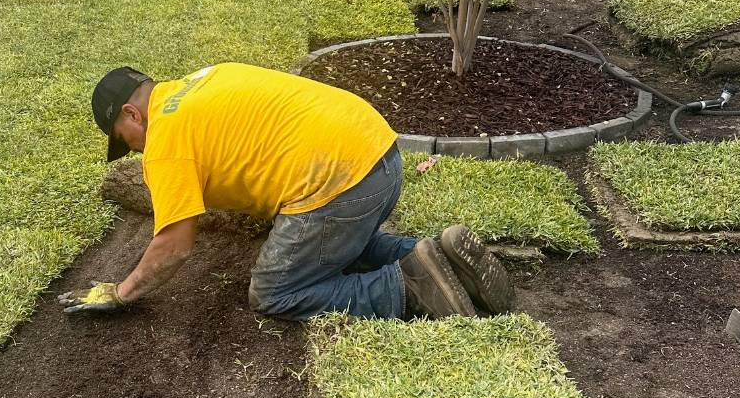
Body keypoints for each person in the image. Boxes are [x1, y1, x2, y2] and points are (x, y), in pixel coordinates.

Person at [58, 62, 514, 321]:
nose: (133, 151)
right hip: (381, 153)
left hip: (342, 185)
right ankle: (433, 254)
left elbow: (175, 246)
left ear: (132, 116)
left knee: (276, 292)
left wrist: (122, 291)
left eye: (125, 141)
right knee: (331, 246)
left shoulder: (165, 142)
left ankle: (411, 288)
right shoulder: (205, 79)